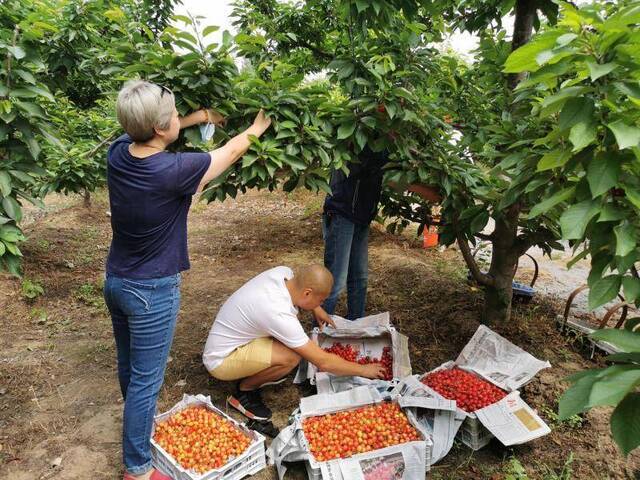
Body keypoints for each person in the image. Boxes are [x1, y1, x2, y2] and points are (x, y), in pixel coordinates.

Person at [103, 80, 272, 480]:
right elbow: (229, 151)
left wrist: (198, 117)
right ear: (161, 129)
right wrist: (258, 127)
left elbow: (145, 135)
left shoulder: (118, 155)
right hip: (152, 290)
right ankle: (138, 470)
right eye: (176, 116)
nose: (181, 119)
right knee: (147, 381)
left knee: (131, 369)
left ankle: (138, 430)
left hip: (117, 282)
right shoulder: (177, 168)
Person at [202, 264, 386, 421]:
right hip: (221, 360)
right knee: (292, 356)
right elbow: (323, 361)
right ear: (307, 293)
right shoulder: (278, 312)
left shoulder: (283, 273)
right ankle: (245, 391)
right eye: (320, 300)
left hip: (237, 337)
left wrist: (316, 307)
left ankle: (257, 369)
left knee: (290, 343)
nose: (320, 303)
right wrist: (363, 370)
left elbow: (302, 288)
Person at [321, 147, 441, 321]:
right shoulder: (363, 133)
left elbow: (395, 166)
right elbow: (385, 174)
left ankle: (356, 325)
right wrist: (425, 190)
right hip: (342, 211)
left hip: (361, 214)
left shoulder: (385, 142)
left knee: (359, 278)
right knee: (335, 280)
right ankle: (320, 332)